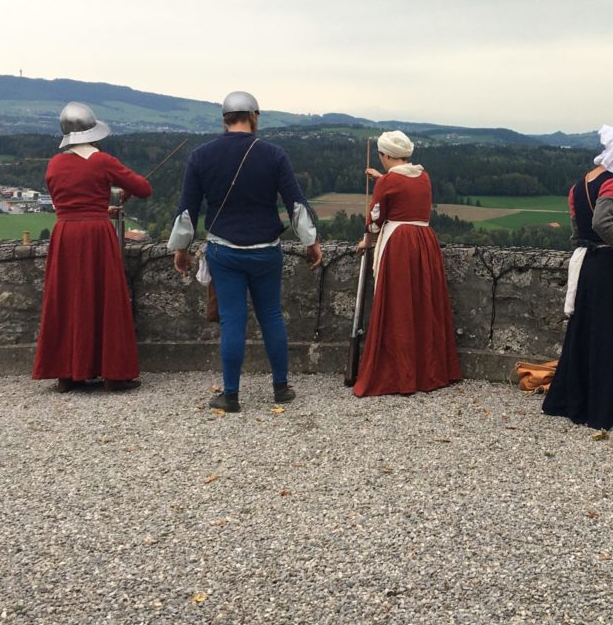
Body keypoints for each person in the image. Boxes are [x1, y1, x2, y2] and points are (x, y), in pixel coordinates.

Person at [168, 91, 322, 413]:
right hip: (267, 251)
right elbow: (296, 205)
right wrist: (311, 243)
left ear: (225, 120)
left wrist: (180, 250)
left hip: (225, 251)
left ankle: (231, 394)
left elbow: (187, 211)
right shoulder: (274, 154)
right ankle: (281, 387)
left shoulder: (201, 156)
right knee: (271, 317)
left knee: (232, 320)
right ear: (254, 117)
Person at [542, 124, 613, 429]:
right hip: (609, 267)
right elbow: (602, 222)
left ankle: (580, 399)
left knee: (587, 334)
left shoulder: (579, 185)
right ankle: (610, 406)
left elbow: (577, 231)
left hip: (589, 265)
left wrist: (585, 254)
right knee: (610, 335)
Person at [32, 102, 152, 392]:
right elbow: (143, 189)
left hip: (64, 235)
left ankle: (66, 373)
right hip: (96, 236)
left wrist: (101, 207)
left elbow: (72, 203)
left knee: (66, 298)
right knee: (106, 297)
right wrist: (116, 196)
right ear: (92, 132)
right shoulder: (102, 160)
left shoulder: (55, 163)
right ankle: (113, 373)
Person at [352, 130, 461, 396]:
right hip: (424, 240)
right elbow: (405, 192)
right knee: (423, 302)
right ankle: (428, 370)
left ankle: (398, 372)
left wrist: (367, 240)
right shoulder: (422, 175)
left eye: (381, 156)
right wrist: (382, 180)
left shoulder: (388, 181)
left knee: (397, 306)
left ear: (386, 155)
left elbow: (376, 219)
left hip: (399, 243)